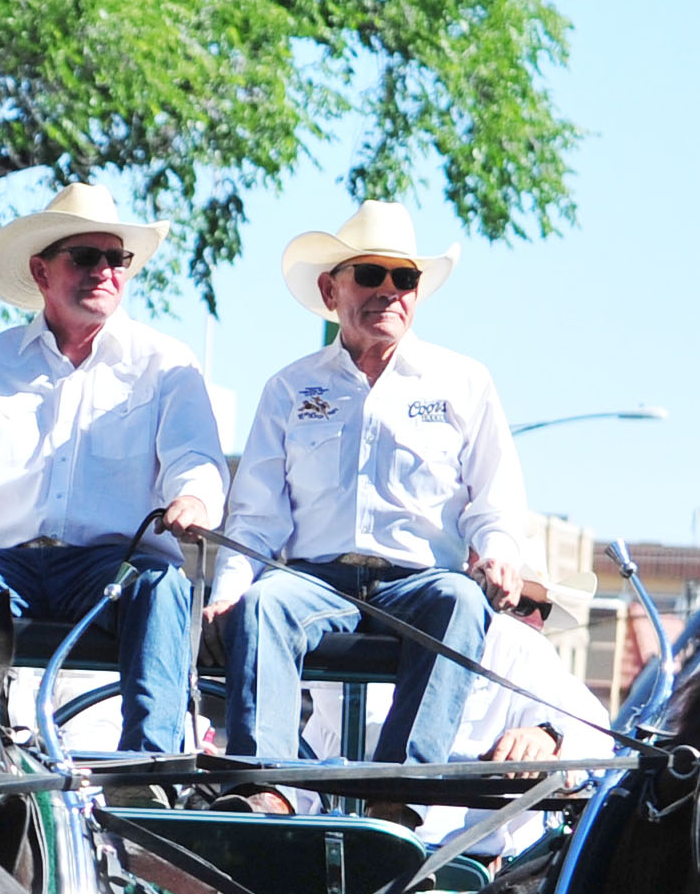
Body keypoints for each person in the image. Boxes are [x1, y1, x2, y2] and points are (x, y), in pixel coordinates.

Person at [0, 184, 225, 754]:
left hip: (109, 573)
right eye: (85, 258)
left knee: (162, 582)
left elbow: (195, 458)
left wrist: (191, 498)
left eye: (116, 259)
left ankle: (149, 766)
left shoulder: (167, 363)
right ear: (42, 273)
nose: (104, 271)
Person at [214, 200, 531, 793]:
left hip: (420, 582)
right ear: (330, 290)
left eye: (404, 278)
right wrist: (228, 591)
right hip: (314, 579)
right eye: (369, 275)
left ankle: (399, 796)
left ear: (417, 294)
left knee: (461, 601)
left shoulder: (465, 382)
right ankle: (267, 791)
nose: (388, 290)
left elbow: (495, 503)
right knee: (262, 606)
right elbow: (255, 517)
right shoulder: (288, 386)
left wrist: (500, 554)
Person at [410, 569, 613, 850]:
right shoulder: (411, 639)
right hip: (395, 846)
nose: (536, 621)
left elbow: (595, 736)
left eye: (545, 610)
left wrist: (549, 738)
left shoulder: (533, 656)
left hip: (487, 868)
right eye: (521, 606)